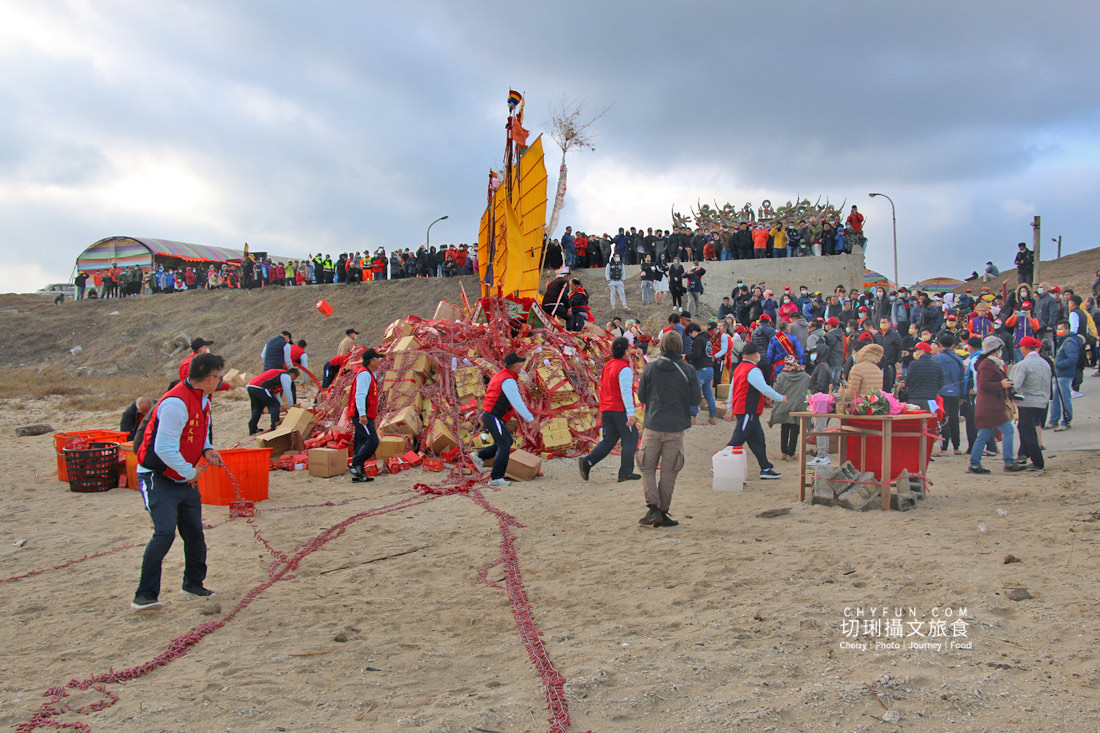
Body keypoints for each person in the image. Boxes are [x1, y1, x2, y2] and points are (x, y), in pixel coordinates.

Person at [131, 353, 225, 610]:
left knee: (194, 531)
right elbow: (164, 447)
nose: (219, 382)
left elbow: (199, 433)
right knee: (164, 532)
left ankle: (193, 583)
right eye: (218, 377)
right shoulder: (175, 403)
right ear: (208, 377)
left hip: (182, 476)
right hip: (158, 476)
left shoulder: (204, 399)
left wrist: (207, 450)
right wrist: (188, 471)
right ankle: (145, 595)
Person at [636, 330, 700, 527]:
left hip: (653, 425)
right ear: (680, 347)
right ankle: (663, 511)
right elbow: (696, 399)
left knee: (646, 467)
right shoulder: (688, 370)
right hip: (676, 427)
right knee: (669, 471)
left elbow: (642, 397)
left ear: (661, 347)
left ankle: (653, 508)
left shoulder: (650, 368)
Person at [578, 337, 640, 483]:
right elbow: (626, 392)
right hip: (619, 408)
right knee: (631, 438)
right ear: (626, 351)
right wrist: (630, 413)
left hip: (606, 408)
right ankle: (625, 472)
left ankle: (588, 462)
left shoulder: (608, 366)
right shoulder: (624, 369)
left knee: (609, 439)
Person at [725, 343, 786, 479]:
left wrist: (730, 407)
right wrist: (780, 398)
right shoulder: (752, 370)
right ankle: (722, 462)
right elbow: (764, 388)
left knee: (758, 440)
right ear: (755, 355)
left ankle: (765, 467)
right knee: (738, 437)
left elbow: (732, 389)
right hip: (748, 409)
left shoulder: (740, 368)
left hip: (745, 409)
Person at [969, 336, 1025, 474]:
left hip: (987, 405)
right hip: (991, 405)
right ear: (995, 350)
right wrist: (1001, 384)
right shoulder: (988, 364)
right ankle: (1008, 461)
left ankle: (975, 463)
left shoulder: (987, 363)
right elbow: (984, 385)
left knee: (984, 434)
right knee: (1007, 431)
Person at [478, 353, 536, 487]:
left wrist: (484, 412)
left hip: (491, 415)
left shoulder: (500, 375)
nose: (522, 366)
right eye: (520, 363)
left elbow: (490, 393)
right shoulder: (509, 381)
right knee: (504, 444)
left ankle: (479, 456)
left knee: (507, 441)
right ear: (514, 365)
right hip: (494, 416)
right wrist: (530, 419)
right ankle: (496, 478)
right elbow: (517, 402)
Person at [1010, 336, 1050, 472]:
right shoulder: (1045, 363)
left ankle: (1037, 461)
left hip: (1028, 401)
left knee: (1026, 430)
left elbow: (1015, 384)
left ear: (1025, 348)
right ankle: (1024, 454)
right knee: (1029, 428)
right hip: (1042, 401)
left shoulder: (1023, 365)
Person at [348, 349, 383, 482]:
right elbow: (360, 395)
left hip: (364, 414)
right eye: (377, 359)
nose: (379, 362)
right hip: (360, 415)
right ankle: (355, 464)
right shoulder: (364, 375)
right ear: (371, 360)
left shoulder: (370, 374)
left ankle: (359, 473)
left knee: (361, 441)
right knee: (373, 440)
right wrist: (363, 415)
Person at [769, 357, 809, 461]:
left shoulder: (782, 375)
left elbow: (776, 389)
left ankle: (784, 452)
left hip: (784, 405)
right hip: (798, 406)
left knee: (785, 428)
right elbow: (809, 389)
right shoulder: (804, 376)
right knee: (795, 430)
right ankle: (791, 453)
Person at [932, 335, 966, 456]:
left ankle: (944, 448)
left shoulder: (936, 359)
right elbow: (962, 378)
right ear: (953, 346)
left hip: (941, 393)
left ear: (940, 345)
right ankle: (956, 447)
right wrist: (963, 395)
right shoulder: (958, 359)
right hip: (956, 392)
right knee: (954, 419)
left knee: (943, 419)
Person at [1049, 320, 1082, 431]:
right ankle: (1054, 420)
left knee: (1064, 399)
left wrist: (1057, 364)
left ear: (1067, 330)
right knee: (1056, 399)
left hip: (1065, 374)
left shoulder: (1069, 343)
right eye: (1058, 329)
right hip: (1059, 375)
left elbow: (1072, 360)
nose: (1058, 331)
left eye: (1061, 329)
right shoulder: (1064, 341)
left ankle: (1066, 421)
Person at [246, 367, 299, 435]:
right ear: (292, 374)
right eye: (295, 377)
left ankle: (252, 429)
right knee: (274, 405)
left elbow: (276, 393)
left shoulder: (278, 376)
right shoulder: (286, 376)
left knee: (257, 408)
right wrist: (292, 406)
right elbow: (288, 391)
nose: (294, 380)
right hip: (260, 387)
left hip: (251, 386)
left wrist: (281, 405)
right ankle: (274, 427)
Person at [685, 323, 717, 424]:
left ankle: (693, 417)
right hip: (710, 369)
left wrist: (686, 356)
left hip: (700, 369)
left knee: (696, 393)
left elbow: (696, 354)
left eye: (690, 334)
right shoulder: (707, 341)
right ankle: (713, 417)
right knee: (709, 395)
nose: (690, 337)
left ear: (693, 331)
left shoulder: (698, 340)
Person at [838, 342, 885, 412]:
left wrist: (841, 392)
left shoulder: (857, 368)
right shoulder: (877, 369)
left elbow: (851, 393)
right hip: (874, 408)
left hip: (859, 409)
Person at [905, 342, 944, 414]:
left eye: (916, 350)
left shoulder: (913, 364)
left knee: (914, 423)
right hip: (931, 400)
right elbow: (941, 383)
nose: (915, 353)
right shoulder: (937, 365)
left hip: (914, 399)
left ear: (922, 351)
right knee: (930, 423)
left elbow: (908, 382)